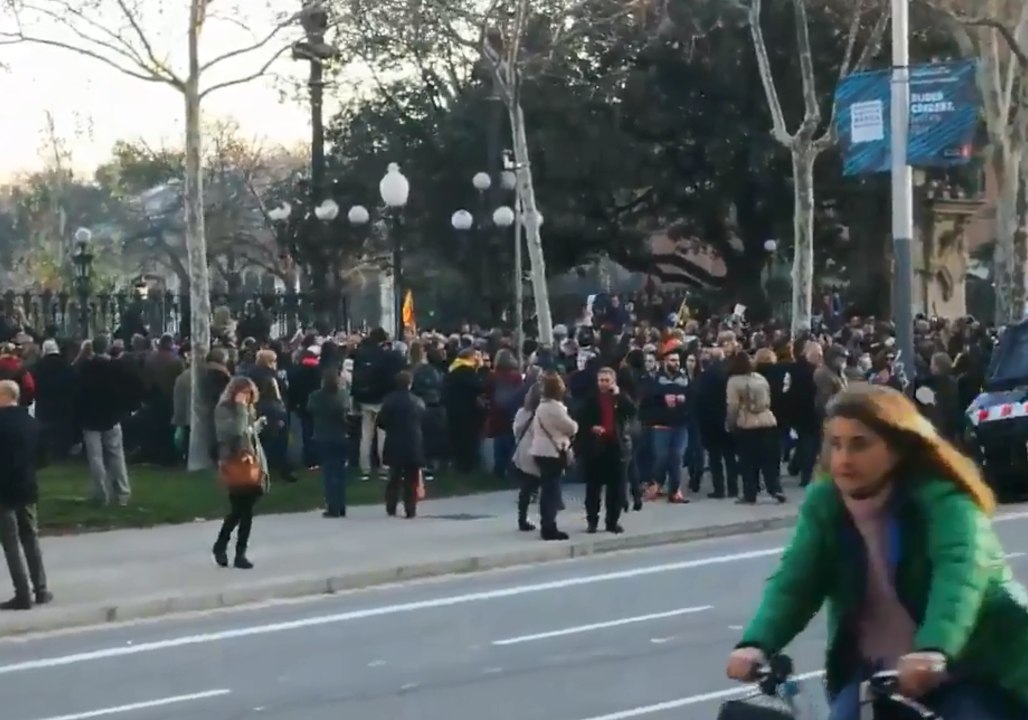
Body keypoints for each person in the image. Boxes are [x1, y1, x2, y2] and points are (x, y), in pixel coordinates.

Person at [725, 386, 1028, 720]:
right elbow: (797, 580)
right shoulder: (826, 504)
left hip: (973, 665)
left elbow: (960, 575)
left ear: (897, 447)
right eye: (835, 443)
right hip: (878, 673)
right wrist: (756, 643)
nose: (843, 459)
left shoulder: (945, 501)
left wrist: (934, 648)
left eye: (860, 444)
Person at [0, 380, 50, 610]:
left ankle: (22, 594)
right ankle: (40, 588)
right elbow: (42, 458)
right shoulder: (32, 423)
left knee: (11, 542)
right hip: (27, 486)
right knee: (31, 538)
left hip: (3, 490)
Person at [213, 376, 268, 570]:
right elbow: (235, 431)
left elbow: (247, 432)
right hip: (234, 462)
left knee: (242, 511)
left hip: (250, 460)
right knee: (242, 510)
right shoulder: (225, 410)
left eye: (249, 394)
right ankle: (234, 551)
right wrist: (240, 409)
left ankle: (228, 547)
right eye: (243, 393)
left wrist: (257, 425)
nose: (246, 397)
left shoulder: (247, 409)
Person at [575, 367, 636, 533]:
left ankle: (612, 521)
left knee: (615, 488)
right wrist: (592, 428)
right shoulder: (591, 398)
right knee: (593, 488)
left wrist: (619, 394)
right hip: (596, 447)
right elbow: (580, 419)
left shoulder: (619, 397)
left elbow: (632, 411)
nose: (603, 384)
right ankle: (592, 521)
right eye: (600, 380)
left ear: (613, 381)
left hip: (615, 446)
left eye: (606, 380)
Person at [528, 372, 578, 540]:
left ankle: (547, 523)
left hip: (539, 449)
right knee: (552, 489)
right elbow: (571, 428)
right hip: (553, 450)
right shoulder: (556, 408)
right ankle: (549, 526)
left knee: (547, 488)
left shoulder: (541, 407)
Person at [376, 370, 426, 519]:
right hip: (413, 442)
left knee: (394, 477)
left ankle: (391, 506)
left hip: (394, 441)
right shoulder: (417, 401)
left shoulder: (389, 400)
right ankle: (410, 508)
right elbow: (424, 419)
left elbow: (381, 422)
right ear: (410, 384)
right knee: (412, 478)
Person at [307, 366, 351, 518]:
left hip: (323, 436)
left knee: (329, 472)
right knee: (340, 473)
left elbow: (310, 410)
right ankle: (341, 504)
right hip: (341, 435)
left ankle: (333, 505)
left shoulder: (315, 397)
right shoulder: (343, 395)